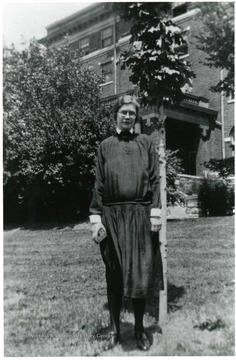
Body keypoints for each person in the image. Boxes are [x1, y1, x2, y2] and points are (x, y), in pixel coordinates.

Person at [89, 95, 163, 351]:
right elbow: (98, 184)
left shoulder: (146, 143)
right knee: (114, 274)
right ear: (116, 115)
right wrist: (95, 216)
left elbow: (155, 181)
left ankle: (140, 328)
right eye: (124, 112)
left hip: (141, 215)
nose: (128, 116)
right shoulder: (105, 146)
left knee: (140, 273)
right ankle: (115, 329)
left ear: (136, 117)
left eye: (132, 112)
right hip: (111, 216)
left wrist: (155, 211)